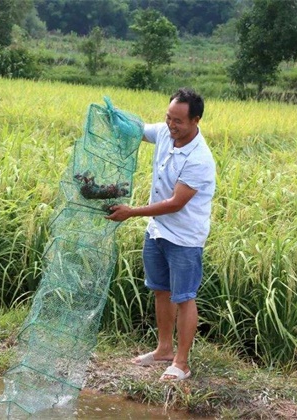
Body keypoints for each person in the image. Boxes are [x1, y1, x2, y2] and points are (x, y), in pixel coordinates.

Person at [106, 88, 216, 381]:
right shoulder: (165, 133)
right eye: (168, 117)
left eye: (178, 120)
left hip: (184, 238)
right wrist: (113, 116)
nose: (171, 125)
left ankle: (181, 363)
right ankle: (164, 350)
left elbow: (175, 203)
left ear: (196, 120)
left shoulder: (200, 159)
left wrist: (131, 212)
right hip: (157, 231)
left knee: (184, 297)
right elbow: (140, 130)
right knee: (160, 290)